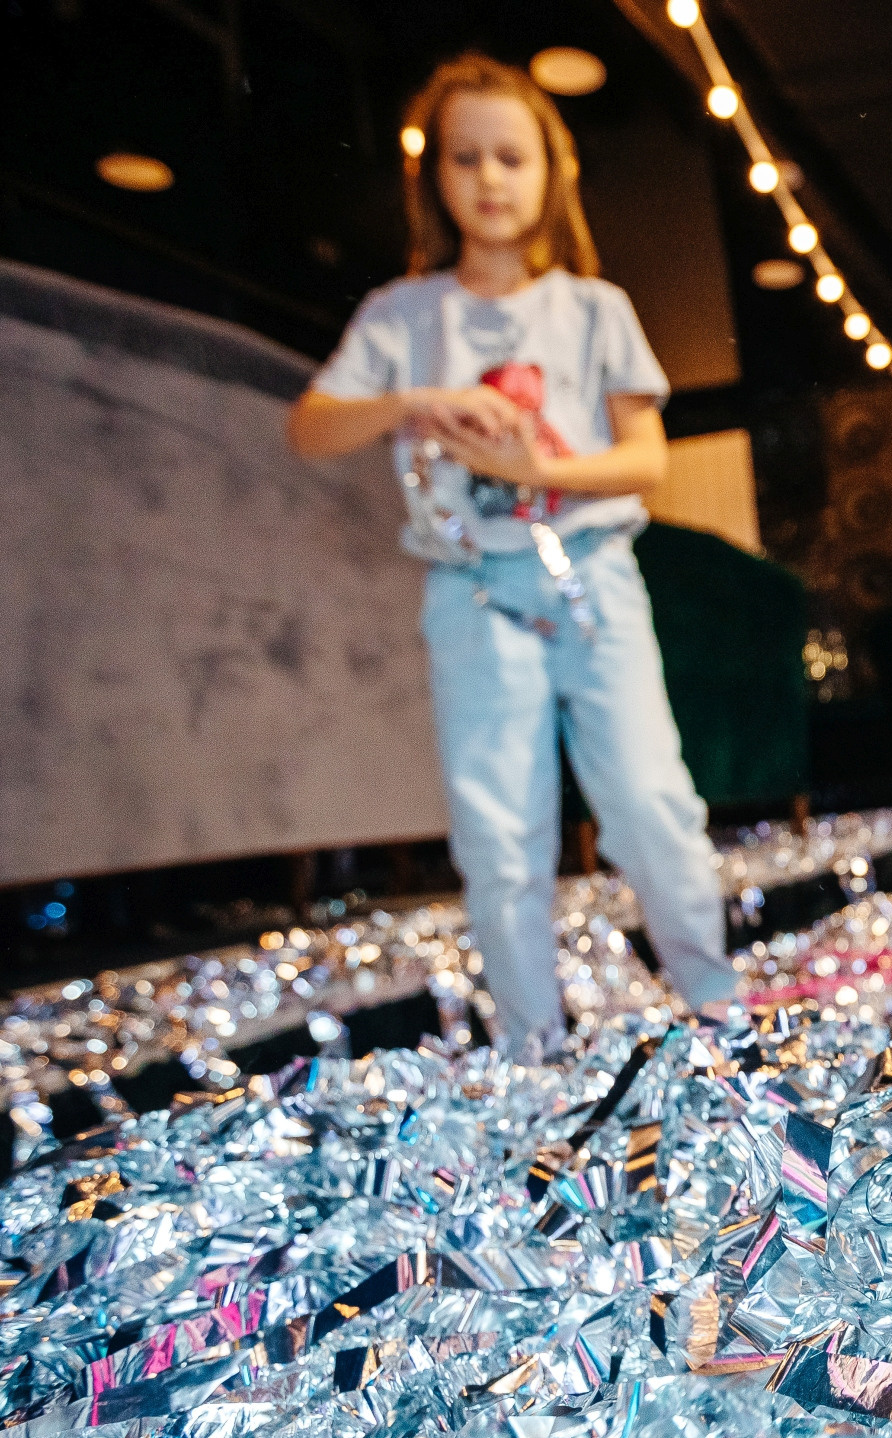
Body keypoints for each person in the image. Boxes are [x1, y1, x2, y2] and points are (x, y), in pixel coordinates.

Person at [287, 52, 734, 1055]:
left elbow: (645, 462)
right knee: (500, 839)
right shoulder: (402, 315)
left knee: (653, 807)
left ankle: (721, 1017)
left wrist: (537, 463)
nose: (490, 179)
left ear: (548, 171)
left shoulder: (593, 307)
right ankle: (535, 1051)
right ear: (436, 177)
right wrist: (413, 402)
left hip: (593, 581)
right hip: (471, 588)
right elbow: (311, 426)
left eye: (510, 156)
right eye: (466, 158)